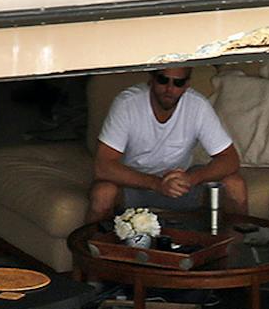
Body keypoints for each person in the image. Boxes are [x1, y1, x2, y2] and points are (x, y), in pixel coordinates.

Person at [88, 65, 249, 221]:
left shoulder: (198, 106)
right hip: (136, 183)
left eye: (178, 83)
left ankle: (237, 246)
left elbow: (230, 159)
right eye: (163, 80)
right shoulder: (127, 104)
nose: (169, 89)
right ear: (151, 79)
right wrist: (157, 184)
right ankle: (94, 248)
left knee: (235, 185)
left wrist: (192, 178)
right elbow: (102, 166)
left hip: (181, 185)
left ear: (187, 84)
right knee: (103, 193)